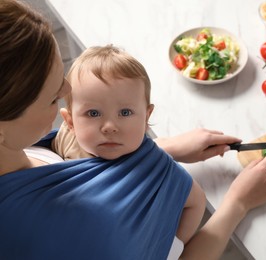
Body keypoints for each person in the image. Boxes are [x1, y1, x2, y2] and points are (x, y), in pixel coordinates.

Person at [0, 1, 266, 259]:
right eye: (52, 97)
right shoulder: (85, 235)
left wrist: (163, 148)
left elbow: (79, 168)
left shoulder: (15, 155)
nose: (67, 90)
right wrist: (238, 203)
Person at [52, 44, 206, 250]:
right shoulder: (66, 138)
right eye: (93, 113)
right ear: (70, 121)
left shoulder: (161, 170)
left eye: (125, 113)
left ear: (146, 117)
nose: (109, 127)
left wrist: (174, 245)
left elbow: (197, 202)